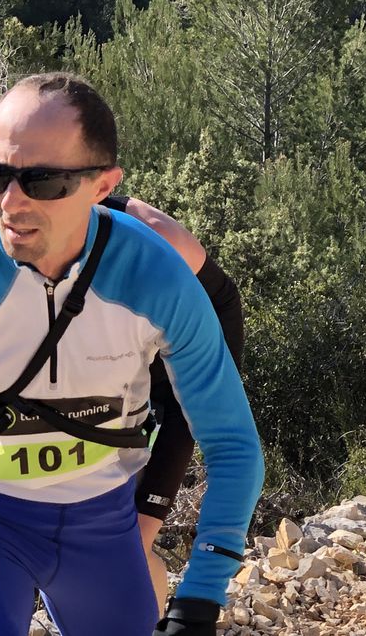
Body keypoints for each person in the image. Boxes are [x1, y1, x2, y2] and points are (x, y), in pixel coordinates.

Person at [0, 72, 263, 636]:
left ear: (102, 185)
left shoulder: (156, 276)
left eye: (41, 180)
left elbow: (234, 448)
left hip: (103, 523)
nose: (9, 202)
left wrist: (198, 600)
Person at [100, 195, 245, 616]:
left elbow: (195, 429)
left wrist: (151, 512)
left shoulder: (147, 236)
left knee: (137, 535)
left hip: (206, 320)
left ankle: (153, 607)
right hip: (138, 338)